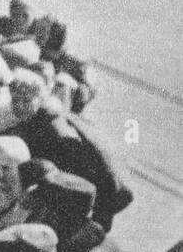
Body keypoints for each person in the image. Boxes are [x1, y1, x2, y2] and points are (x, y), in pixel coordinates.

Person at [9, 69, 132, 231]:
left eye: (26, 101)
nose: (19, 106)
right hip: (104, 184)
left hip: (106, 193)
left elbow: (76, 178)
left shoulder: (54, 132)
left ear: (39, 99)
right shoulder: (49, 113)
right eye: (15, 100)